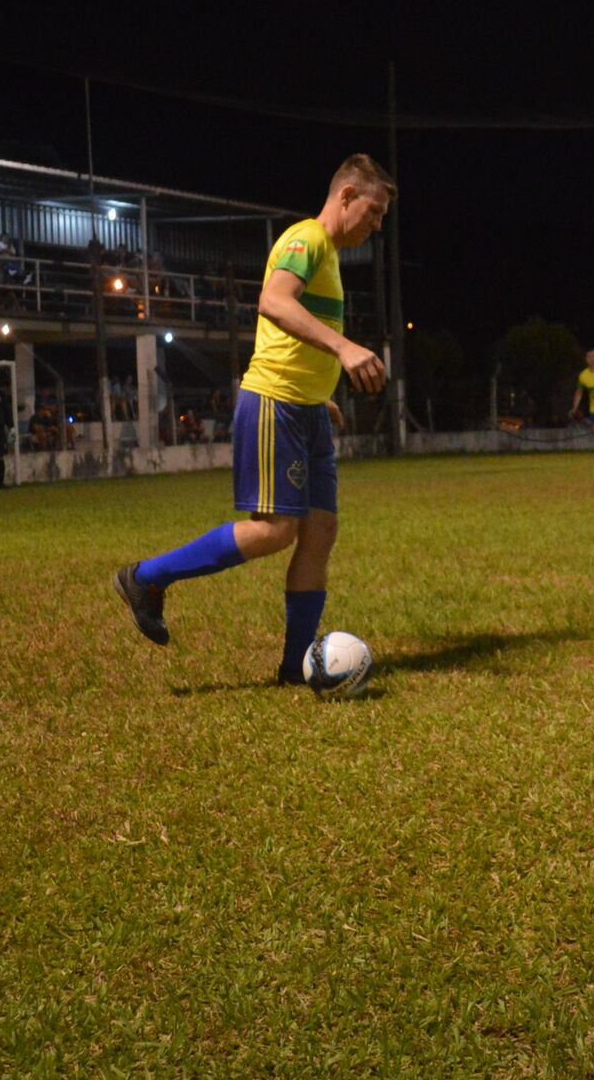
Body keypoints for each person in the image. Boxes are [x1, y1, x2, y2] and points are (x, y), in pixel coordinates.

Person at [114, 155, 393, 684]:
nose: (377, 225)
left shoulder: (329, 255)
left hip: (306, 408)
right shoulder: (306, 238)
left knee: (320, 532)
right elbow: (274, 302)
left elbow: (298, 329)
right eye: (374, 211)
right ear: (348, 196)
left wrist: (322, 392)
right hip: (274, 403)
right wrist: (345, 348)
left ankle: (294, 670)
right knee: (275, 531)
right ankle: (145, 578)